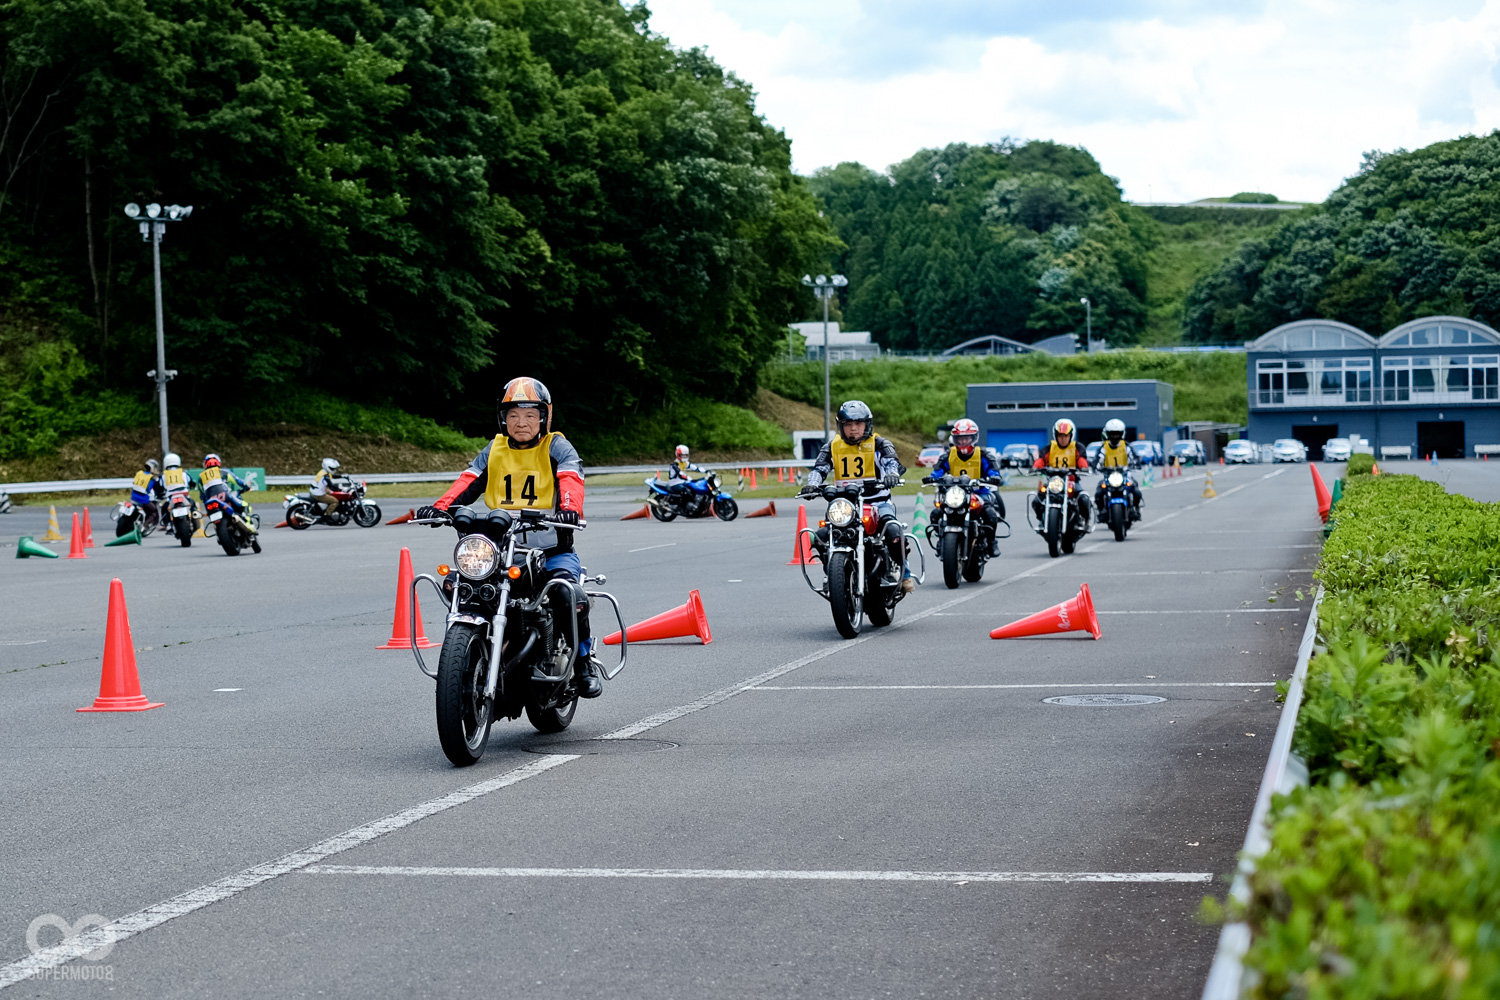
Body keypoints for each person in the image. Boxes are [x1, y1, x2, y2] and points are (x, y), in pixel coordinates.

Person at [415, 376, 602, 698]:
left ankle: (583, 662)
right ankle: (470, 655)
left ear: (544, 417)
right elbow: (469, 481)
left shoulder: (556, 445)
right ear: (503, 418)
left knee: (567, 596)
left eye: (530, 415)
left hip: (551, 548)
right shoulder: (495, 449)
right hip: (498, 549)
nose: (521, 423)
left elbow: (571, 477)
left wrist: (570, 509)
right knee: (460, 585)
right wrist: (440, 507)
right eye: (513, 415)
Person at [802, 400, 908, 586]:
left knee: (893, 530)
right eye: (848, 425)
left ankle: (901, 570)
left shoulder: (880, 444)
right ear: (840, 426)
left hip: (877, 502)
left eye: (858, 424)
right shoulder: (832, 447)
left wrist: (892, 474)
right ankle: (832, 575)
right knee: (821, 536)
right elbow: (819, 469)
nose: (853, 429)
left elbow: (891, 462)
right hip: (844, 506)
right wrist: (812, 485)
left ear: (867, 425)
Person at [927, 418, 1006, 556]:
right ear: (955, 439)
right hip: (955, 495)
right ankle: (941, 539)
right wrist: (932, 478)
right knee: (936, 514)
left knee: (990, 514)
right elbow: (937, 471)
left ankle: (992, 542)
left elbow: (994, 471)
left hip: (979, 493)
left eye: (966, 438)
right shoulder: (948, 455)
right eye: (960, 438)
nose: (963, 442)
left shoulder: (983, 455)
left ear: (973, 438)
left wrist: (994, 477)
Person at [1031, 418, 1093, 523]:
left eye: (1066, 436)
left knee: (1084, 499)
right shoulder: (1049, 448)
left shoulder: (1077, 447)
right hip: (1053, 482)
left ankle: (1084, 520)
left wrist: (1084, 467)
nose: (1063, 439)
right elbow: (1041, 459)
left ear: (1071, 436)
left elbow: (1082, 459)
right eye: (1060, 436)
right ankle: (1042, 520)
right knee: (1036, 501)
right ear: (1056, 436)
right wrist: (1035, 467)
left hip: (1072, 481)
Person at [1092, 418, 1143, 521]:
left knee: (1136, 491)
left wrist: (1135, 464)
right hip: (1109, 476)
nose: (1115, 436)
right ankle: (1102, 510)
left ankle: (1135, 509)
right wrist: (1096, 467)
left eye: (1117, 434)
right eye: (1112, 434)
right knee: (1099, 492)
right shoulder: (1104, 448)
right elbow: (1098, 460)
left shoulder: (1127, 447)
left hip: (1124, 475)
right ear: (1107, 434)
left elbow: (1134, 458)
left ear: (1122, 434)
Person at [198, 454, 250, 519]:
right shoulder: (224, 471)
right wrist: (247, 486)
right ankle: (245, 517)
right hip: (225, 496)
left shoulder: (200, 477)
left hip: (210, 501)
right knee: (244, 505)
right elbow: (239, 481)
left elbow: (202, 496)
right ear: (218, 462)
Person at [129, 458, 165, 530]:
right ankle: (146, 524)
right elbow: (157, 490)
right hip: (143, 500)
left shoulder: (139, 474)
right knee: (154, 511)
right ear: (153, 468)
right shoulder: (152, 478)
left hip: (133, 497)